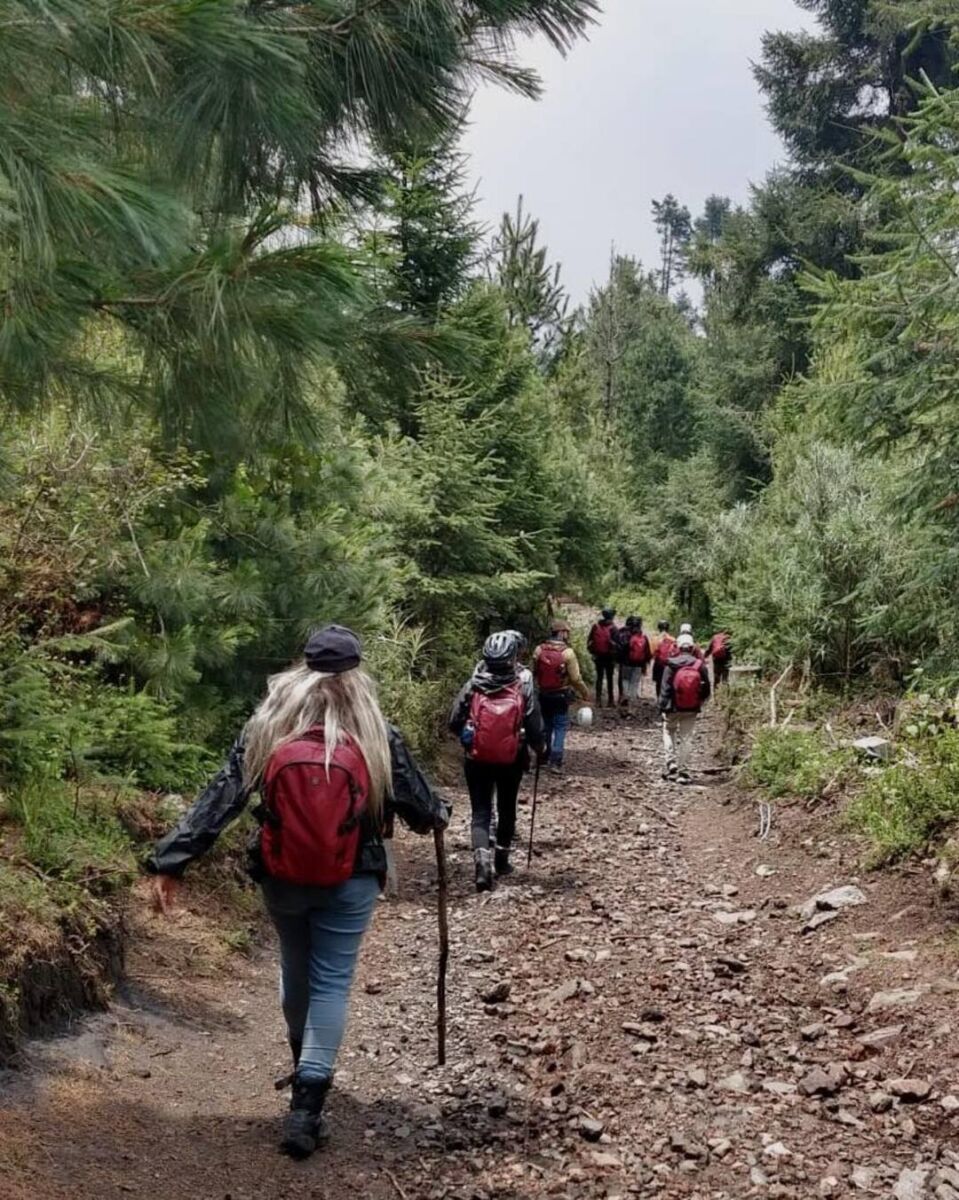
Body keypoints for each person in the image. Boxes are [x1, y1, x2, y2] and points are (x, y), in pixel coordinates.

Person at [146, 625, 449, 1161]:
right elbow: (422, 812)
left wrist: (173, 860)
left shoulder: (269, 728)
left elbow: (222, 797)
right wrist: (440, 812)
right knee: (331, 981)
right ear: (357, 672)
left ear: (302, 666)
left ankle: (301, 1061)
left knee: (295, 966)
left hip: (282, 876)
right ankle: (308, 1105)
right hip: (352, 877)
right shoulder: (376, 732)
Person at [449, 631, 546, 890]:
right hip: (511, 758)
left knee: (480, 811)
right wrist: (540, 749)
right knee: (506, 807)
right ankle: (501, 862)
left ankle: (482, 864)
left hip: (476, 758)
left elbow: (453, 721)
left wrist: (470, 736)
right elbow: (535, 726)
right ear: (513, 657)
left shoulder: (475, 682)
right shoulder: (522, 682)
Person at [532, 619, 590, 772]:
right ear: (561, 633)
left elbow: (534, 672)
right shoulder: (568, 652)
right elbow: (576, 678)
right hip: (561, 694)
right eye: (566, 632)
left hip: (543, 693)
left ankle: (543, 756)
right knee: (560, 726)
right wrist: (584, 692)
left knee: (546, 725)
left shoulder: (538, 650)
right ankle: (556, 761)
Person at [658, 631, 711, 784]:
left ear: (678, 647)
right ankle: (684, 770)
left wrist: (662, 707)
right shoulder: (699, 665)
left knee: (668, 732)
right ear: (692, 647)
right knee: (686, 737)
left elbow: (664, 689)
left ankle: (671, 762)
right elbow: (707, 689)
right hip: (691, 708)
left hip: (672, 708)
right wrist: (699, 702)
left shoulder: (671, 664)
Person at [587, 607, 618, 707]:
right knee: (610, 678)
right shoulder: (613, 628)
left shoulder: (596, 626)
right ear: (612, 616)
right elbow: (617, 645)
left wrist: (592, 653)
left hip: (598, 656)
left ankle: (598, 700)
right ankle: (611, 700)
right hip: (610, 656)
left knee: (599, 678)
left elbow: (589, 641)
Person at [618, 616, 650, 707]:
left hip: (626, 663)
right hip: (638, 664)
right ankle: (632, 700)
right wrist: (645, 665)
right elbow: (647, 653)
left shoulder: (625, 635)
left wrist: (619, 660)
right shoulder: (643, 637)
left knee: (625, 679)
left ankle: (626, 696)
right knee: (634, 682)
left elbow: (621, 649)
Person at [650, 620, 676, 700]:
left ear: (659, 628)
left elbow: (652, 653)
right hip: (669, 664)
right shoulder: (673, 639)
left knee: (658, 682)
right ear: (668, 628)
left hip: (658, 663)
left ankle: (659, 699)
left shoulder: (655, 639)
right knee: (669, 682)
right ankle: (667, 699)